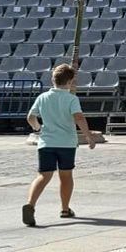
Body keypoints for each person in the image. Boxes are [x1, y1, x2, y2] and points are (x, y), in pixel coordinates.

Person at [23, 64, 96, 227]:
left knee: (43, 175)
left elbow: (30, 116)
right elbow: (78, 117)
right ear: (70, 82)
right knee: (65, 176)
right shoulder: (71, 99)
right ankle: (65, 208)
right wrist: (88, 136)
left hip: (46, 143)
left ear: (52, 80)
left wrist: (37, 128)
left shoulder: (42, 97)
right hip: (66, 143)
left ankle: (30, 204)